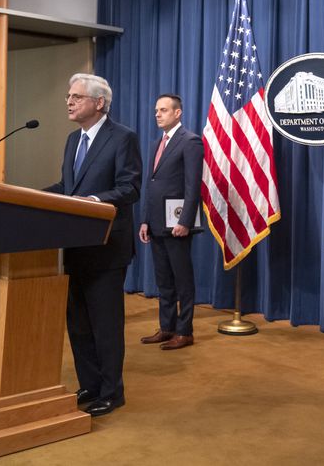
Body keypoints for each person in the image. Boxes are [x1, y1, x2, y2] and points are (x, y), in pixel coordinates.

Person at [44, 73, 142, 417]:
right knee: (79, 324)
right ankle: (90, 384)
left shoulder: (123, 137)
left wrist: (93, 201)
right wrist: (32, 195)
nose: (69, 102)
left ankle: (112, 392)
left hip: (106, 248)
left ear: (99, 103)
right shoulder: (73, 139)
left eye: (76, 97)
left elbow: (129, 188)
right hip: (73, 247)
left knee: (105, 326)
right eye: (68, 97)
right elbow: (66, 186)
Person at [139, 94, 204, 350]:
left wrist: (186, 221)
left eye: (163, 110)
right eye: (156, 110)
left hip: (177, 223)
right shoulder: (157, 143)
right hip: (155, 223)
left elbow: (193, 186)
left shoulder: (190, 141)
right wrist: (144, 220)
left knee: (182, 280)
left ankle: (185, 331)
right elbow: (151, 184)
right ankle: (166, 328)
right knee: (163, 280)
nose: (157, 114)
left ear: (178, 113)